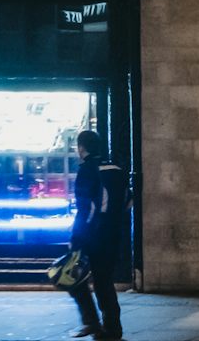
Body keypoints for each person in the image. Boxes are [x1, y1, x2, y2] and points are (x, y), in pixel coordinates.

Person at [67, 129, 127, 341]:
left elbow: (87, 209)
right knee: (104, 282)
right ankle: (112, 329)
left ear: (81, 148)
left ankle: (91, 322)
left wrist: (76, 238)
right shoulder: (116, 169)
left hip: (93, 235)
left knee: (72, 278)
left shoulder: (87, 170)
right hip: (113, 234)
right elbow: (126, 202)